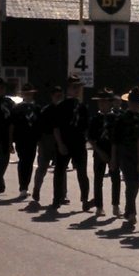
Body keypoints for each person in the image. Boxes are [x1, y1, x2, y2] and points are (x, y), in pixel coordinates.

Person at [51, 75, 90, 212]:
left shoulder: (82, 107)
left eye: (78, 87)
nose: (77, 90)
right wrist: (60, 144)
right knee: (59, 172)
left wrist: (85, 141)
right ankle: (57, 199)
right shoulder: (61, 106)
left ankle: (85, 200)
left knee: (82, 173)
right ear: (68, 89)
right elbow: (56, 127)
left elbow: (85, 127)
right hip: (65, 143)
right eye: (74, 87)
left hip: (79, 144)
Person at [113, 87, 139, 228]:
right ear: (129, 102)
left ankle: (128, 210)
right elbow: (115, 140)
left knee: (137, 183)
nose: (135, 104)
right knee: (130, 183)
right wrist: (114, 158)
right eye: (133, 101)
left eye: (138, 101)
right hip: (125, 153)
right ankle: (131, 212)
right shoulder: (122, 118)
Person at [88, 88, 121, 218]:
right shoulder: (95, 118)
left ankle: (116, 205)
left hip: (113, 151)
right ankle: (99, 206)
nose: (102, 104)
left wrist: (113, 157)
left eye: (105, 102)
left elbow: (117, 139)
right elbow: (90, 137)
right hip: (99, 151)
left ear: (110, 103)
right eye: (100, 102)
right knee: (98, 179)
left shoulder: (116, 118)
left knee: (116, 178)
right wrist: (99, 152)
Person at [31, 85, 62, 206]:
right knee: (42, 168)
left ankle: (62, 194)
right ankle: (36, 189)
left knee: (60, 169)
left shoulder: (63, 110)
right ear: (52, 96)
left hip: (59, 141)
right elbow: (38, 127)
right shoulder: (46, 111)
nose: (58, 98)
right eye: (56, 96)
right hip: (46, 141)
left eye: (60, 96)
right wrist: (39, 143)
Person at [9, 83, 42, 199]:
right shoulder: (17, 108)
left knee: (30, 161)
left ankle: (26, 185)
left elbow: (39, 125)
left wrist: (40, 140)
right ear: (23, 94)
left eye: (30, 93)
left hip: (32, 139)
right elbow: (12, 125)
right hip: (21, 139)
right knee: (23, 161)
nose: (28, 95)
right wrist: (10, 142)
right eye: (26, 93)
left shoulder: (37, 108)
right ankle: (23, 186)